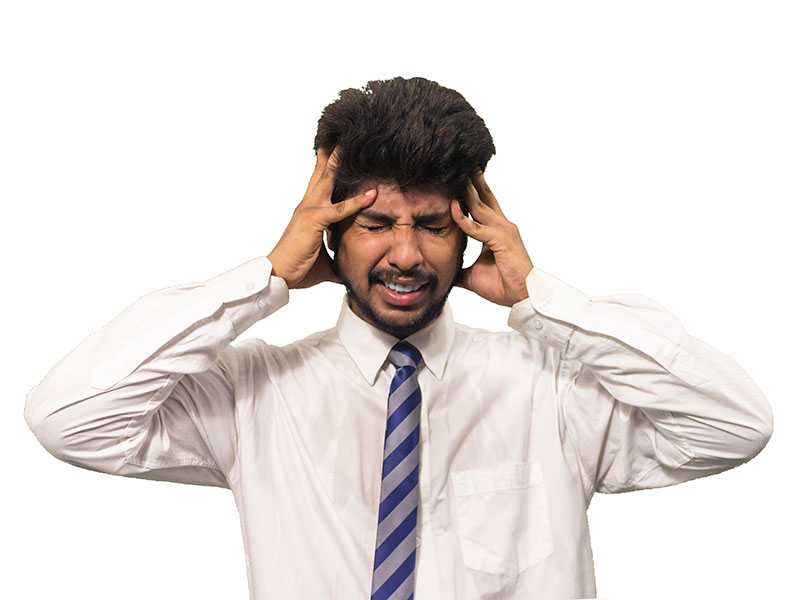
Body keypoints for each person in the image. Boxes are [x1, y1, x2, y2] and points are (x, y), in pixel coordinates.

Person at [24, 76, 773, 600]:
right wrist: (265, 279)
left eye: (435, 227)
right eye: (376, 224)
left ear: (472, 235)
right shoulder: (254, 396)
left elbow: (733, 425)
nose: (407, 255)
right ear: (331, 235)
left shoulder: (553, 386)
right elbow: (69, 417)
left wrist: (541, 300)